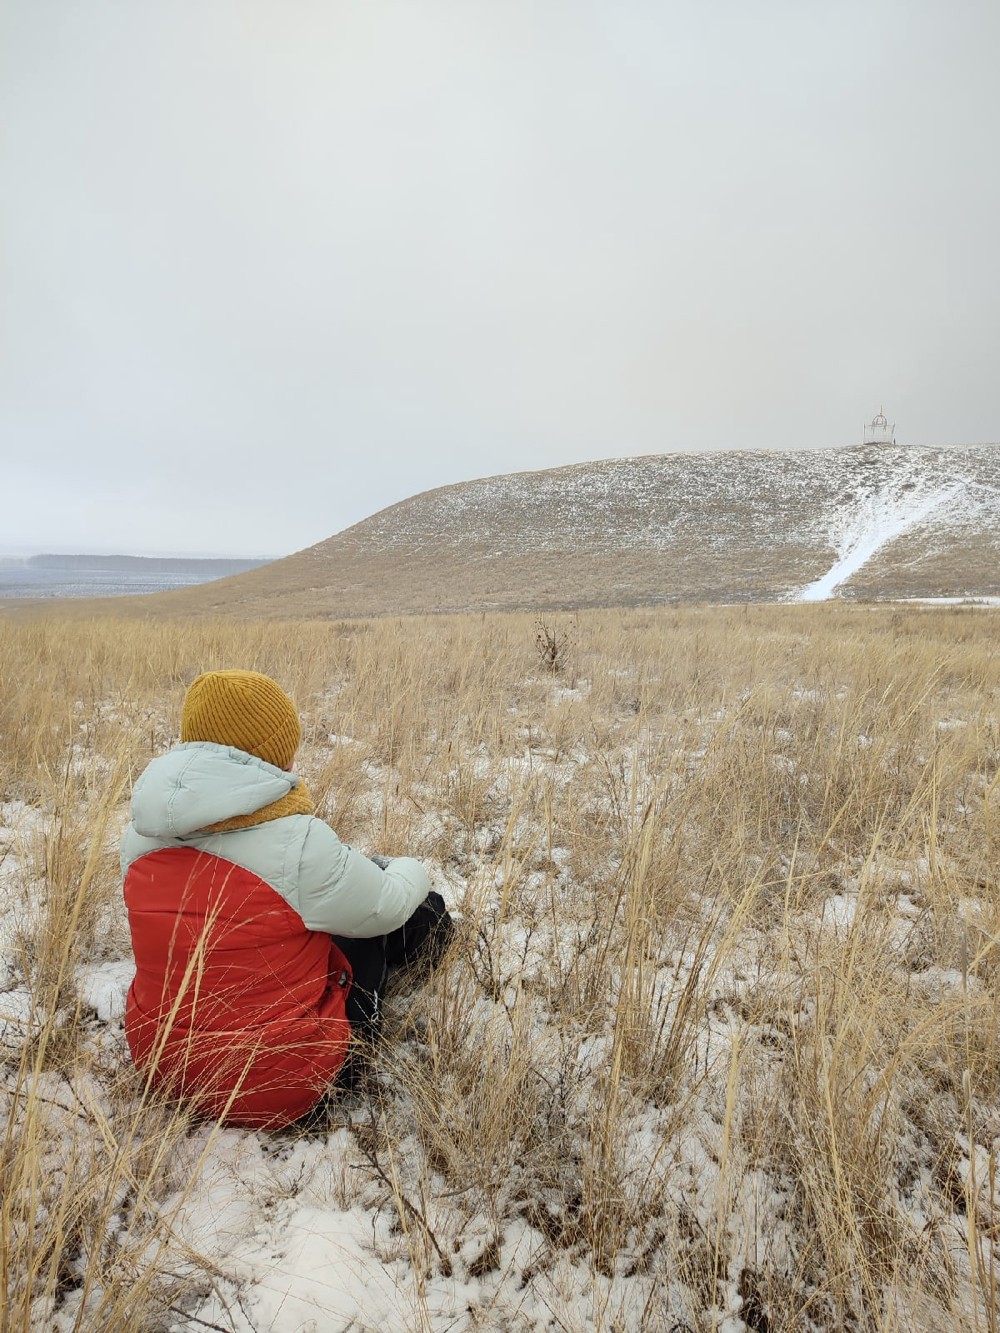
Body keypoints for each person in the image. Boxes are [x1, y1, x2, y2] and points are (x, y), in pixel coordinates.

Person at [121, 669, 452, 1129]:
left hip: (162, 1070)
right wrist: (406, 866)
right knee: (414, 914)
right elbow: (387, 905)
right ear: (268, 754)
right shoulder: (297, 843)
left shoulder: (138, 837)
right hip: (283, 1089)